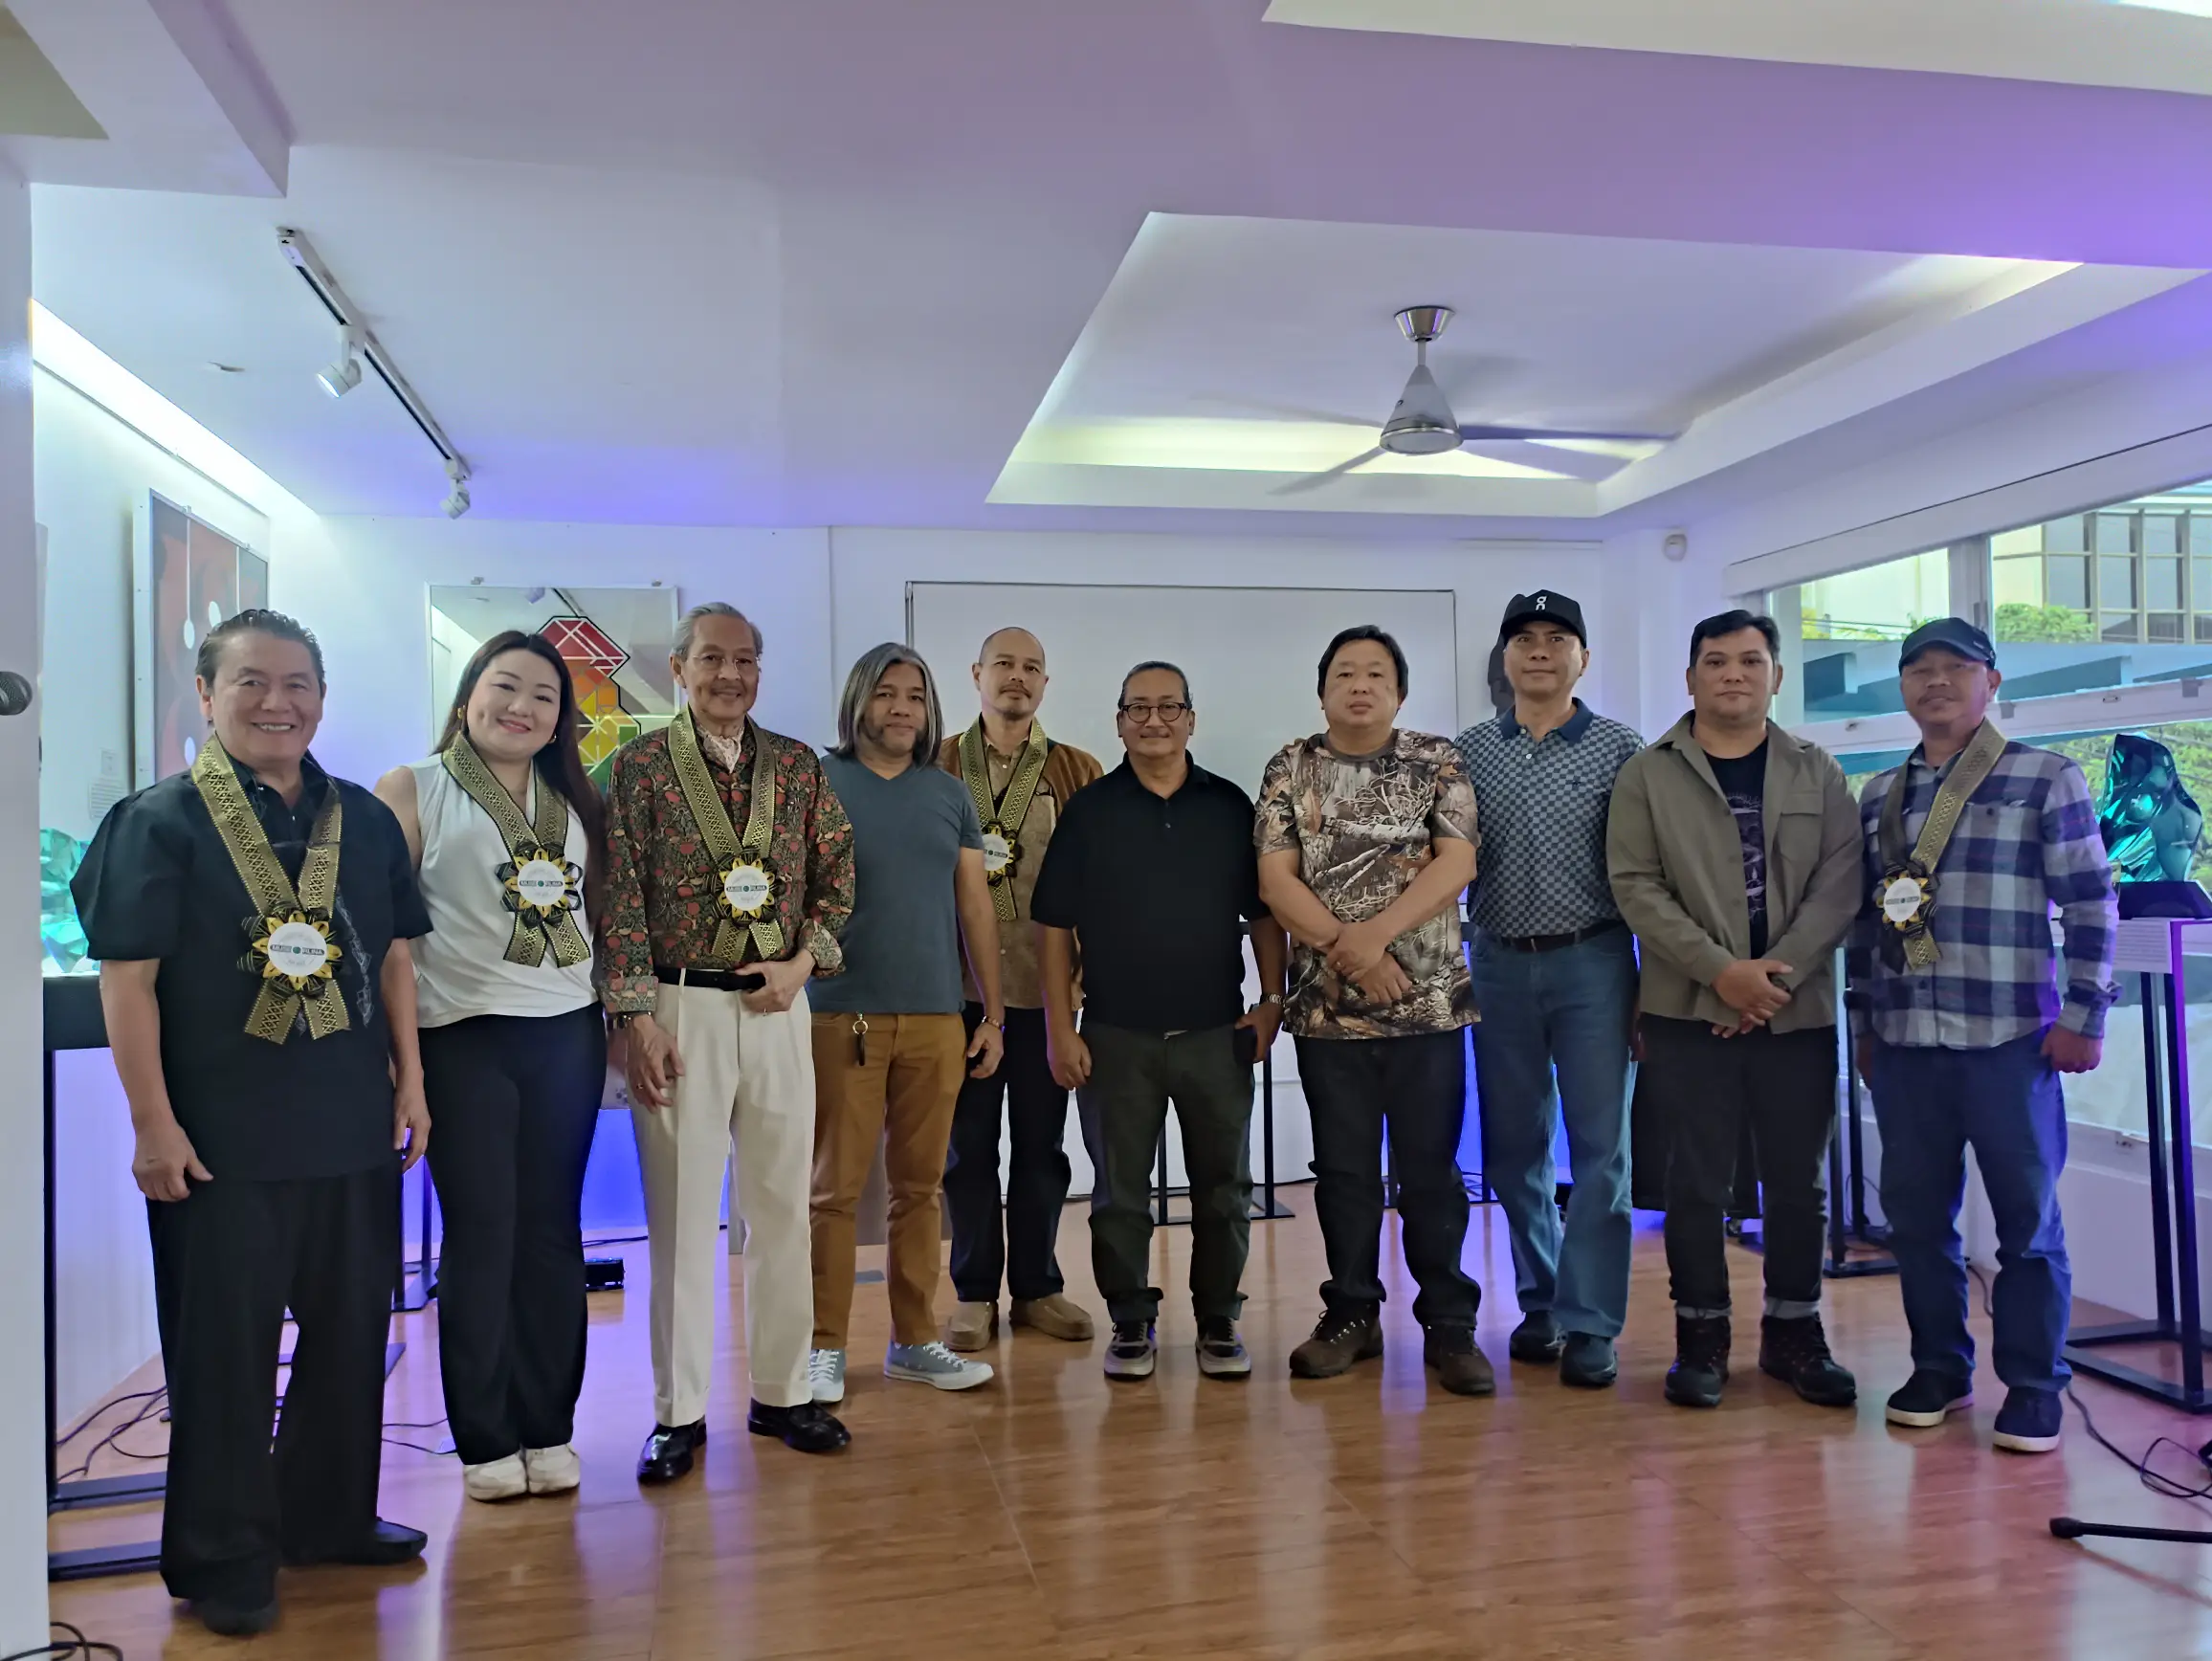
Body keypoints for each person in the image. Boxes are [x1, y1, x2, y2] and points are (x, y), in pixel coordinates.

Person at [71, 609, 431, 1636]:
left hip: (350, 1126)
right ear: (206, 694)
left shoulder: (360, 819)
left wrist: (411, 1084)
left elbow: (397, 957)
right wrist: (152, 1123)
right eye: (253, 683)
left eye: (298, 684)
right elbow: (128, 980)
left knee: (354, 1330)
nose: (278, 702)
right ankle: (222, 1552)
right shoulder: (159, 820)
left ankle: (323, 1516)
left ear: (322, 696)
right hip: (220, 1140)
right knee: (226, 1350)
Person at [601, 602, 854, 1477]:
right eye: (712, 659)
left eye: (746, 660)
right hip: (681, 1010)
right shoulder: (633, 770)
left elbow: (839, 881)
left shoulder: (797, 767)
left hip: (780, 1004)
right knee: (680, 1217)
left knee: (783, 1208)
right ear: (679, 668)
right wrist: (634, 1017)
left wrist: (802, 965)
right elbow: (618, 897)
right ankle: (679, 1414)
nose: (730, 676)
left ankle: (784, 1394)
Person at [1853, 618, 2116, 1455]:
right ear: (1902, 689)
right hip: (1906, 1040)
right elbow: (1871, 921)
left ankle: (2036, 1385)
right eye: (1919, 671)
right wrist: (1864, 1024)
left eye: (1956, 669)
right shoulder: (1878, 796)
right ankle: (1939, 1369)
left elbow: (2089, 902)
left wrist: (2085, 1016)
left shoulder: (2045, 777)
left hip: (2011, 1039)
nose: (1936, 683)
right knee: (1916, 1222)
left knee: (2027, 1224)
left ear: (1991, 683)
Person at [1606, 609, 1863, 1411]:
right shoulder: (1648, 774)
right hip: (1690, 1012)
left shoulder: (1818, 771)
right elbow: (1636, 887)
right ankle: (1702, 1336)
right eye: (1715, 662)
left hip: (1798, 1012)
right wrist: (1724, 975)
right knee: (1695, 1182)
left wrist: (1768, 981)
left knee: (1798, 1184)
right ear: (1690, 678)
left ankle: (1794, 1331)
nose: (1733, 676)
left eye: (1751, 662)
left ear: (1776, 676)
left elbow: (1841, 883)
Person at [373, 631, 607, 1504]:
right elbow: (391, 937)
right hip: (459, 1037)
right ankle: (484, 1439)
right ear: (468, 695)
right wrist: (404, 1067)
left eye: (544, 696)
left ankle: (549, 1426)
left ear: (560, 720)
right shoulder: (412, 786)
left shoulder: (577, 800)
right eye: (505, 687)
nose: (523, 706)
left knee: (553, 1232)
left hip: (565, 1036)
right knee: (481, 1235)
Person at [1032, 661, 1289, 1381]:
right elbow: (1053, 925)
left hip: (1216, 1035)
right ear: (1118, 722)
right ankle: (1132, 1322)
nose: (1154, 720)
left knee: (1225, 1189)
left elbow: (1266, 914)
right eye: (1138, 708)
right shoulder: (1091, 811)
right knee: (1119, 1195)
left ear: (1191, 719)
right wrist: (1061, 1027)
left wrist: (1272, 1002)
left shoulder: (1230, 808)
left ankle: (1218, 1322)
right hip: (1116, 1037)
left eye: (1168, 707)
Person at [1255, 626, 1489, 1395]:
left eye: (1377, 674)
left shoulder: (1436, 759)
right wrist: (1345, 950)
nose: (1360, 685)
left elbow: (1457, 859)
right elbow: (1274, 877)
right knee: (1345, 1173)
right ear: (1323, 688)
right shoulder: (1292, 765)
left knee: (1431, 1172)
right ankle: (1350, 1313)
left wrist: (1375, 939)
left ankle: (1449, 1325)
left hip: (1429, 1008)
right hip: (1328, 1015)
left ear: (1399, 690)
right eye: (1345, 673)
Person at [1454, 591, 1644, 1389]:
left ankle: (1593, 1320)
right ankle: (1543, 1300)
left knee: (1601, 1152)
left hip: (1593, 962)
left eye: (1557, 639)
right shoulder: (1466, 753)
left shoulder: (1619, 749)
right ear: (1505, 660)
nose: (1539, 651)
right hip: (1496, 962)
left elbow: (1647, 868)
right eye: (1524, 639)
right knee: (1511, 1151)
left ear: (1582, 659)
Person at [807, 644, 1004, 1403]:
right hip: (839, 1015)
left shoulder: (949, 793)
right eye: (886, 694)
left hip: (935, 1019)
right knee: (835, 1190)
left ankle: (915, 1340)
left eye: (915, 697)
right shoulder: (818, 783)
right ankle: (823, 1345)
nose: (900, 708)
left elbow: (974, 905)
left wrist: (989, 1011)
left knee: (921, 1190)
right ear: (859, 700)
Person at [936, 627, 1104, 1351]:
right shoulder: (938, 764)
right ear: (976, 674)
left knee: (1044, 1149)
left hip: (1046, 995)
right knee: (967, 1150)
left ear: (1045, 684)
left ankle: (1038, 1288)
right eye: (1004, 664)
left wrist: (1087, 988)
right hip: (960, 996)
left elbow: (1100, 886)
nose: (1018, 677)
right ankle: (974, 1293)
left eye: (1032, 667)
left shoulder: (1075, 770)